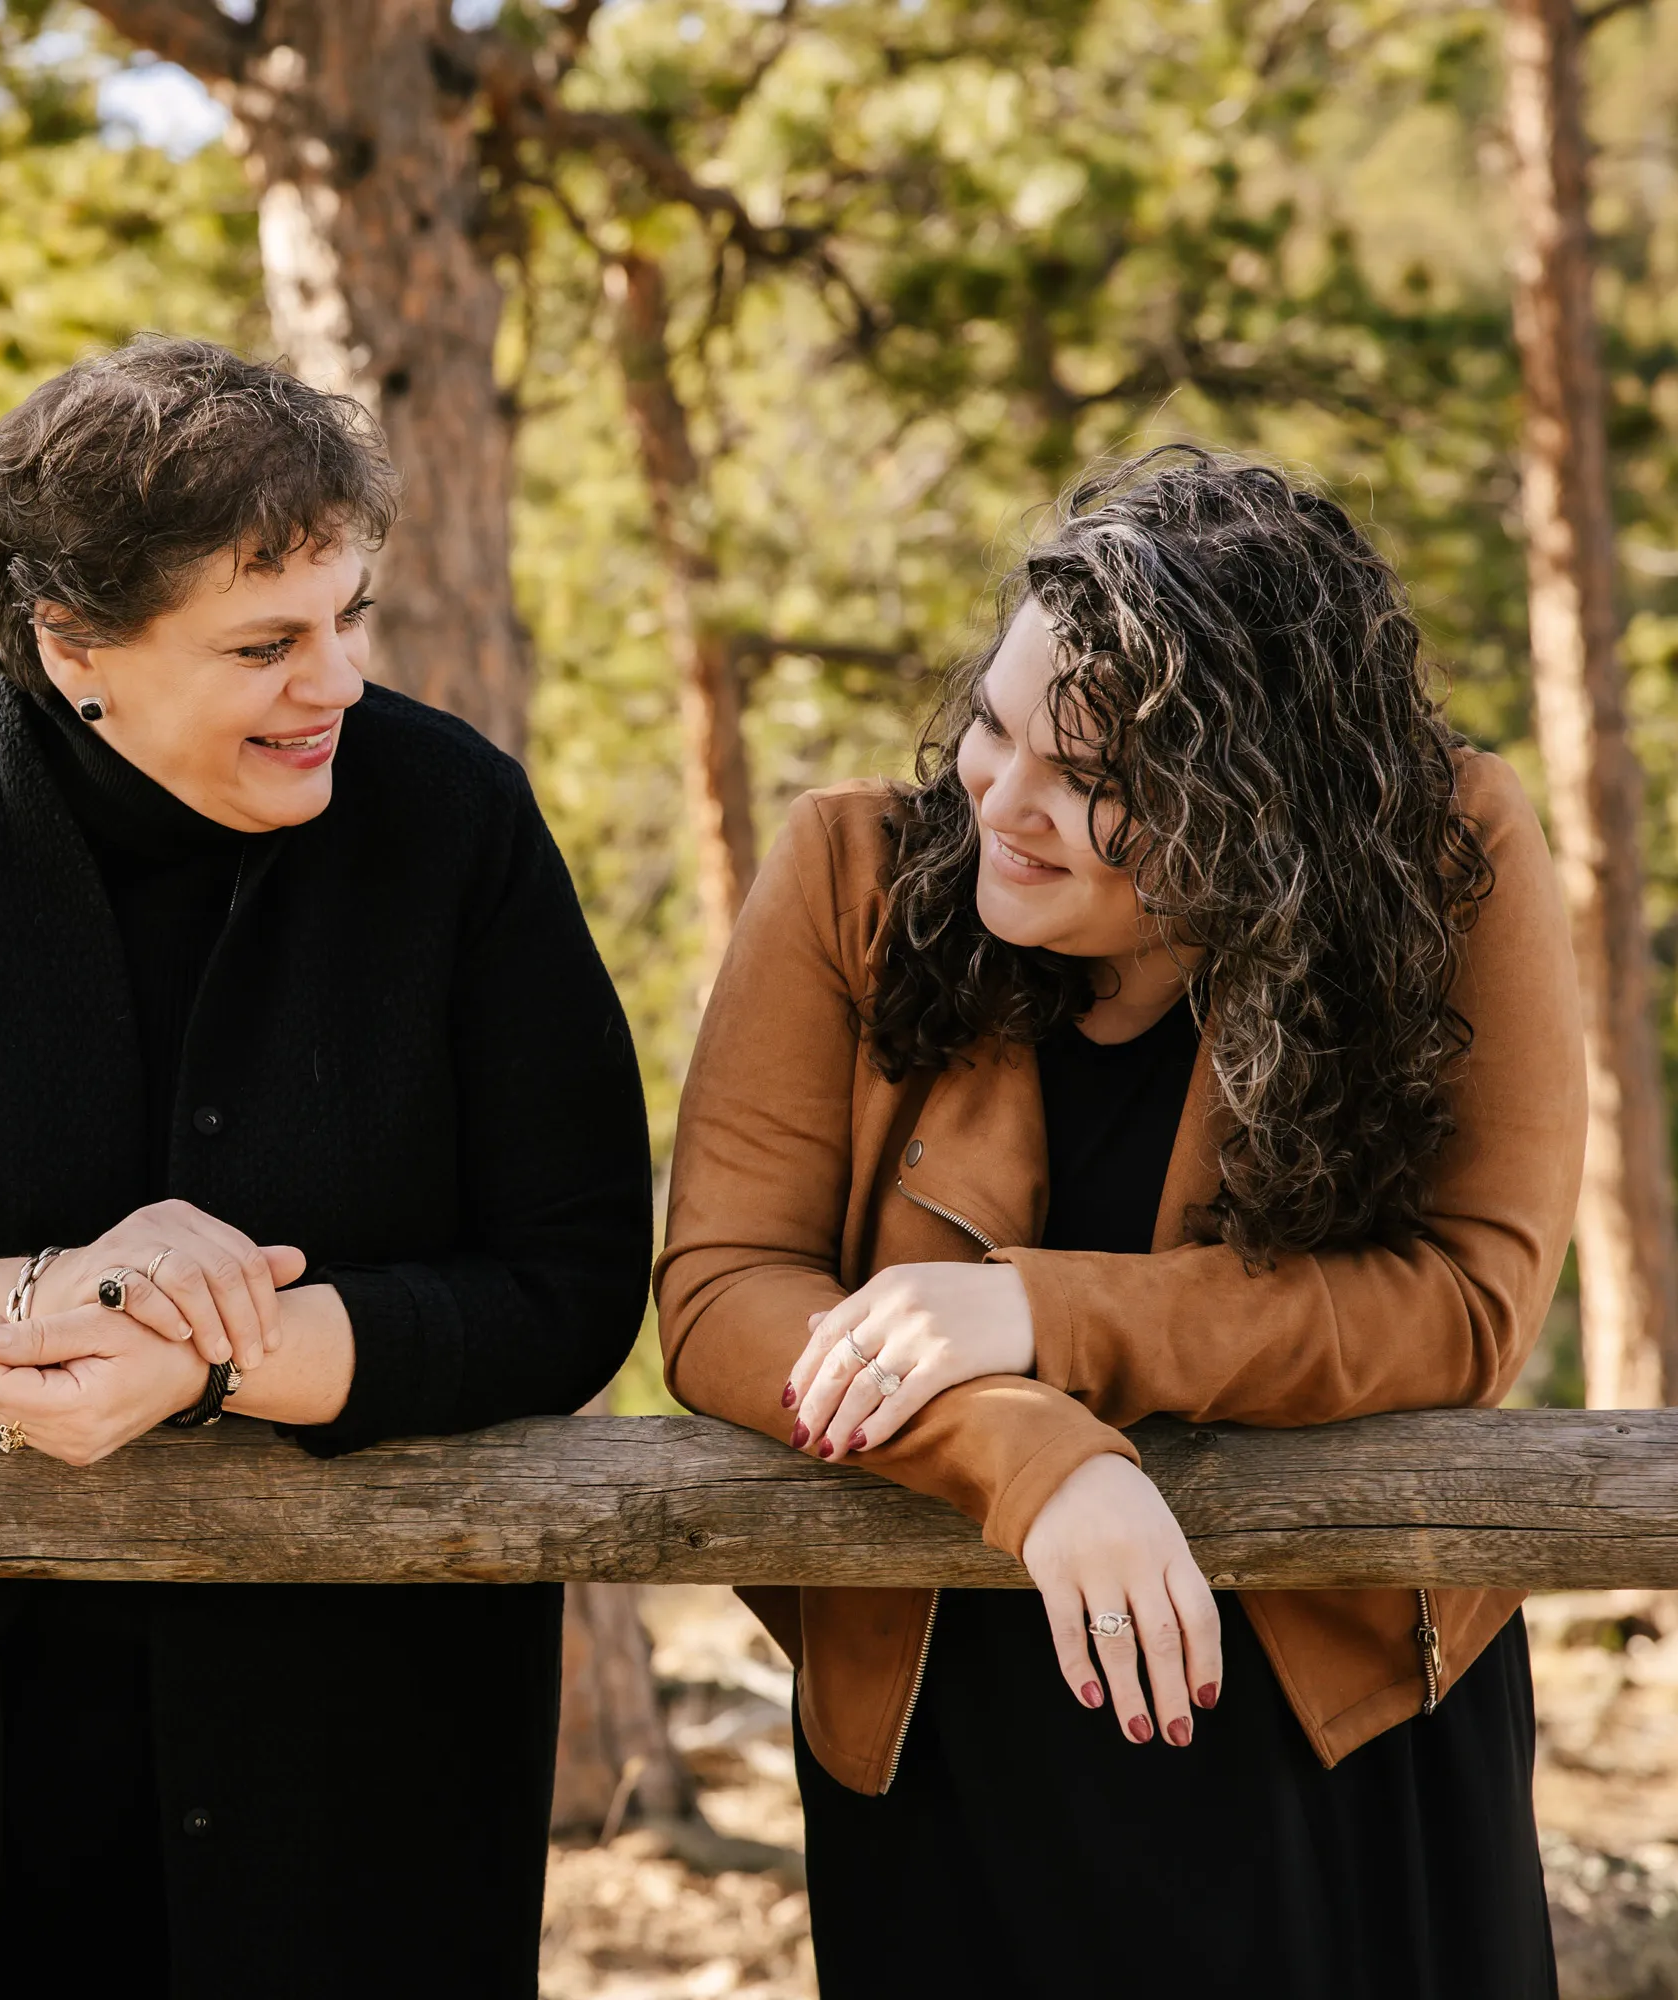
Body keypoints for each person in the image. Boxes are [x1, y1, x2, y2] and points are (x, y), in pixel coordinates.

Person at [0, 335, 654, 1999]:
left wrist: (208, 1348)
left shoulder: (458, 823)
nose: (332, 681)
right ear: (74, 645)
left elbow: (571, 1281)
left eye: (352, 620)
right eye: (265, 643)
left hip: (373, 1738)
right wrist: (30, 1309)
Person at [658, 447, 1584, 1999]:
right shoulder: (847, 872)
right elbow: (721, 1292)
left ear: (1258, 812)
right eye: (996, 729)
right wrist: (1034, 1456)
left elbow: (1468, 1302)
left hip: (1337, 1709)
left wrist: (1038, 1311)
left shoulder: (1447, 860)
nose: (1004, 805)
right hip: (954, 1721)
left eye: (1093, 783)